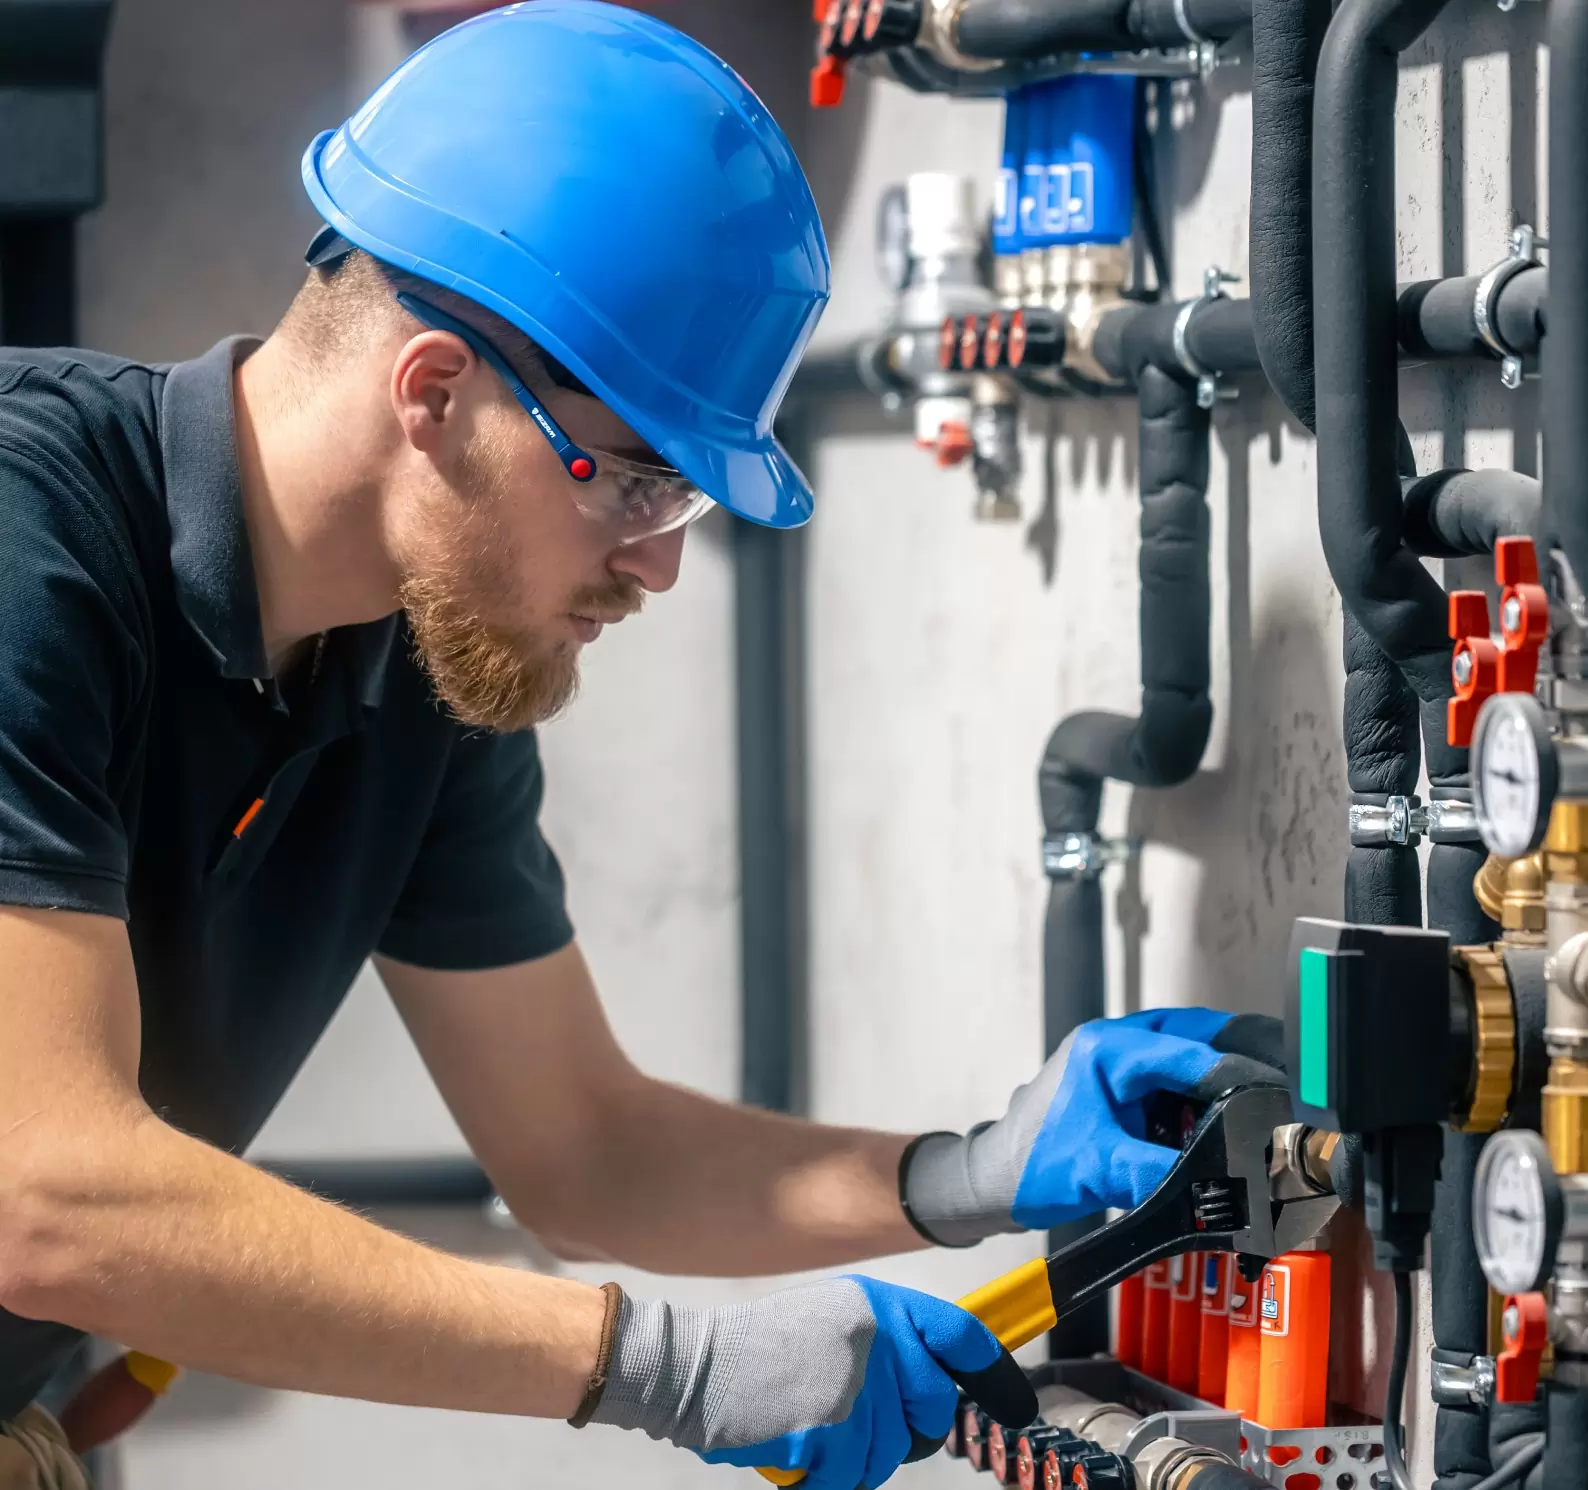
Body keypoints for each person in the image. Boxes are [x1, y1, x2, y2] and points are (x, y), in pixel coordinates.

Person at [0, 4, 1285, 1487]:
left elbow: (581, 1147)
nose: (659, 568)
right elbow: (52, 1189)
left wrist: (963, 1173)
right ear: (433, 394)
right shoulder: (37, 541)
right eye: (635, 485)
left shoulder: (425, 659)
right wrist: (663, 1367)